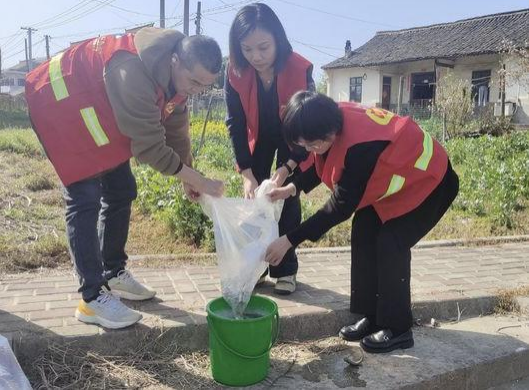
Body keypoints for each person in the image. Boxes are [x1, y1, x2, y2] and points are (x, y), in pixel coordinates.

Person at [25, 27, 225, 329]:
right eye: (194, 81)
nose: (196, 90)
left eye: (204, 86)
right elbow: (150, 149)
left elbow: (176, 125)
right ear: (175, 61)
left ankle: (113, 272)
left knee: (122, 189)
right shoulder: (132, 70)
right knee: (85, 199)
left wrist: (188, 172)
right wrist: (199, 180)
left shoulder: (177, 79)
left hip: (96, 112)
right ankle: (92, 298)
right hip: (59, 106)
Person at [265, 91, 459, 353]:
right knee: (364, 231)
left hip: (430, 181)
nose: (309, 151)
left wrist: (288, 240)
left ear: (328, 133)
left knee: (391, 242)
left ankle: (398, 328)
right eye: (303, 146)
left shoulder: (360, 145)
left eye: (311, 145)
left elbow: (339, 207)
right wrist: (291, 188)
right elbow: (323, 160)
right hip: (397, 181)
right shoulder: (331, 121)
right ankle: (372, 316)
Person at [225, 3, 314, 295]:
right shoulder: (235, 71)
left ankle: (285, 268)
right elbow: (235, 124)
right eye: (247, 49)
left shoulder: (300, 69)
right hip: (257, 137)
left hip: (293, 138)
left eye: (263, 47)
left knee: (284, 195)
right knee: (255, 201)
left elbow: (307, 127)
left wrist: (287, 168)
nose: (256, 57)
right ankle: (258, 266)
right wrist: (247, 173)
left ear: (278, 39)